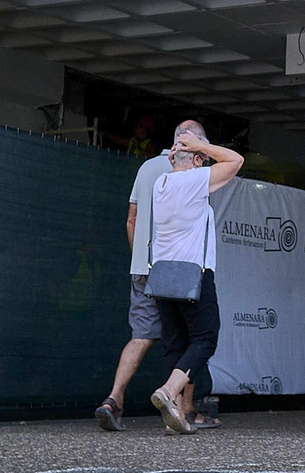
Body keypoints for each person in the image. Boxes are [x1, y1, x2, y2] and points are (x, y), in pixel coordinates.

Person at [96, 120, 208, 432]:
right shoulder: (193, 171)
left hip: (143, 266)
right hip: (176, 266)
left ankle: (113, 399)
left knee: (141, 335)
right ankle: (183, 408)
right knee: (190, 336)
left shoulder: (146, 168)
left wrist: (139, 260)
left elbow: (131, 219)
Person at [149, 130, 243, 434]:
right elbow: (236, 160)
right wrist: (203, 146)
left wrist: (191, 150)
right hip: (193, 273)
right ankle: (169, 390)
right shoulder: (194, 180)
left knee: (174, 343)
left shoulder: (160, 183)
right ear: (199, 160)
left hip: (163, 274)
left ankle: (173, 412)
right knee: (205, 337)